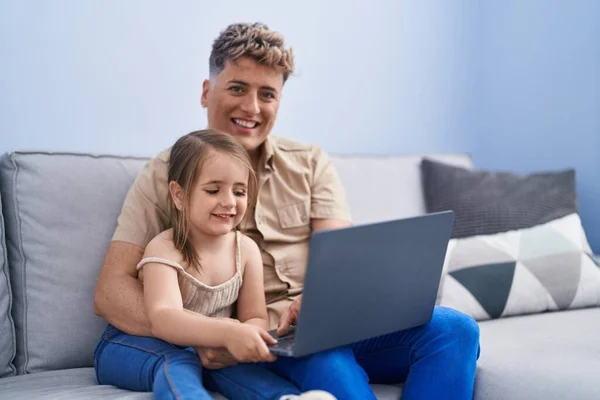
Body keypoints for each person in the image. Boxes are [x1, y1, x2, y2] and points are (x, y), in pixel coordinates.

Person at [94, 22, 481, 400]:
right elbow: (111, 291)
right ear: (206, 91)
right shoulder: (166, 174)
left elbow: (342, 263)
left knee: (457, 330)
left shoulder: (311, 163)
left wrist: (323, 298)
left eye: (267, 94)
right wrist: (205, 335)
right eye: (237, 88)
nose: (251, 107)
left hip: (324, 325)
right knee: (330, 363)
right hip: (267, 342)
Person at [93, 129, 357, 399]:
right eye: (213, 190)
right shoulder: (164, 248)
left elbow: (254, 317)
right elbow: (163, 319)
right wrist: (226, 332)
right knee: (181, 363)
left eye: (240, 191)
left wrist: (245, 340)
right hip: (130, 344)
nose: (229, 202)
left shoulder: (246, 250)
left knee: (237, 367)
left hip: (200, 343)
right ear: (179, 195)